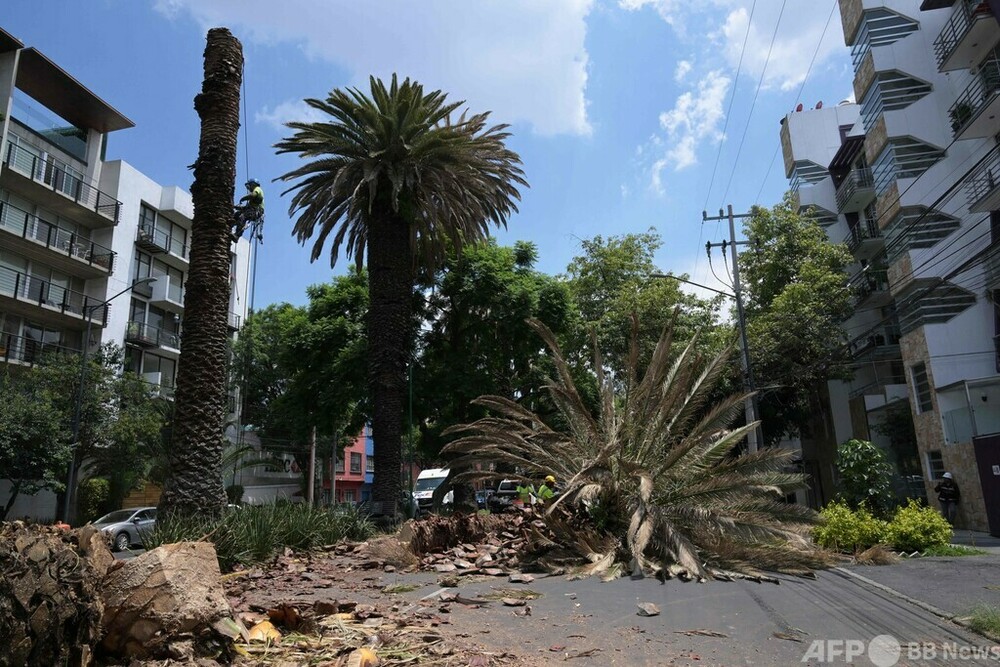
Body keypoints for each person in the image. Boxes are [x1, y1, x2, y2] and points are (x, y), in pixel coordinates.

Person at [233, 178, 265, 243]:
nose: (248, 188)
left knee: (242, 217)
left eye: (249, 186)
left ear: (253, 184)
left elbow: (253, 195)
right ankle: (230, 225)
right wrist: (236, 207)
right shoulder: (252, 200)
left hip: (257, 211)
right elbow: (246, 208)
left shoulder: (257, 189)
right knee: (236, 214)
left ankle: (237, 235)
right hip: (252, 210)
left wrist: (243, 198)